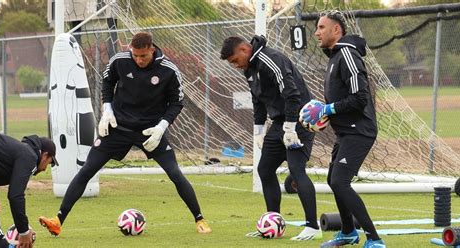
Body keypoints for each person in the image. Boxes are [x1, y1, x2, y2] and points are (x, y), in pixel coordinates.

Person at [38, 32, 212, 236]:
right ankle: (57, 220)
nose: (138, 60)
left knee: (175, 173)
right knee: (86, 170)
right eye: (135, 55)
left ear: (151, 50)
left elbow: (176, 103)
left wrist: (161, 127)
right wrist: (107, 110)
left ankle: (199, 219)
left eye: (143, 56)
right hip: (117, 128)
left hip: (150, 132)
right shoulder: (120, 61)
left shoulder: (169, 71)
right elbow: (107, 83)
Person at [220, 35, 321, 241]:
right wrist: (258, 130)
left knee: (296, 169)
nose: (235, 66)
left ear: (244, 50)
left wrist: (291, 128)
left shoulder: (271, 59)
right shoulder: (249, 69)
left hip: (299, 119)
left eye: (234, 61)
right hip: (278, 124)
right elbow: (258, 100)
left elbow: (292, 94)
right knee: (264, 169)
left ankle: (313, 226)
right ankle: (273, 223)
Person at [303, 11, 385, 248]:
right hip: (345, 131)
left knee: (340, 181)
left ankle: (375, 238)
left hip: (359, 130)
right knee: (333, 179)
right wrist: (324, 110)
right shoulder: (334, 57)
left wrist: (328, 109)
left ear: (336, 30)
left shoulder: (348, 54)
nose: (316, 33)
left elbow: (360, 98)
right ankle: (348, 232)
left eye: (321, 27)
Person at [0, 131, 57, 248]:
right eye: (49, 163)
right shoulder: (29, 156)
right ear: (45, 156)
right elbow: (16, 196)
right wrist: (24, 231)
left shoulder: (21, 152)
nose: (45, 169)